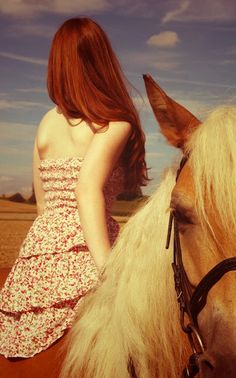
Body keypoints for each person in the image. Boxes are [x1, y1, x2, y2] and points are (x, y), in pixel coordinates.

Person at [0, 17, 148, 358]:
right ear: (102, 62)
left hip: (39, 252)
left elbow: (43, 206)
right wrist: (107, 273)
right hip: (90, 247)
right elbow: (87, 191)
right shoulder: (114, 122)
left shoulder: (45, 122)